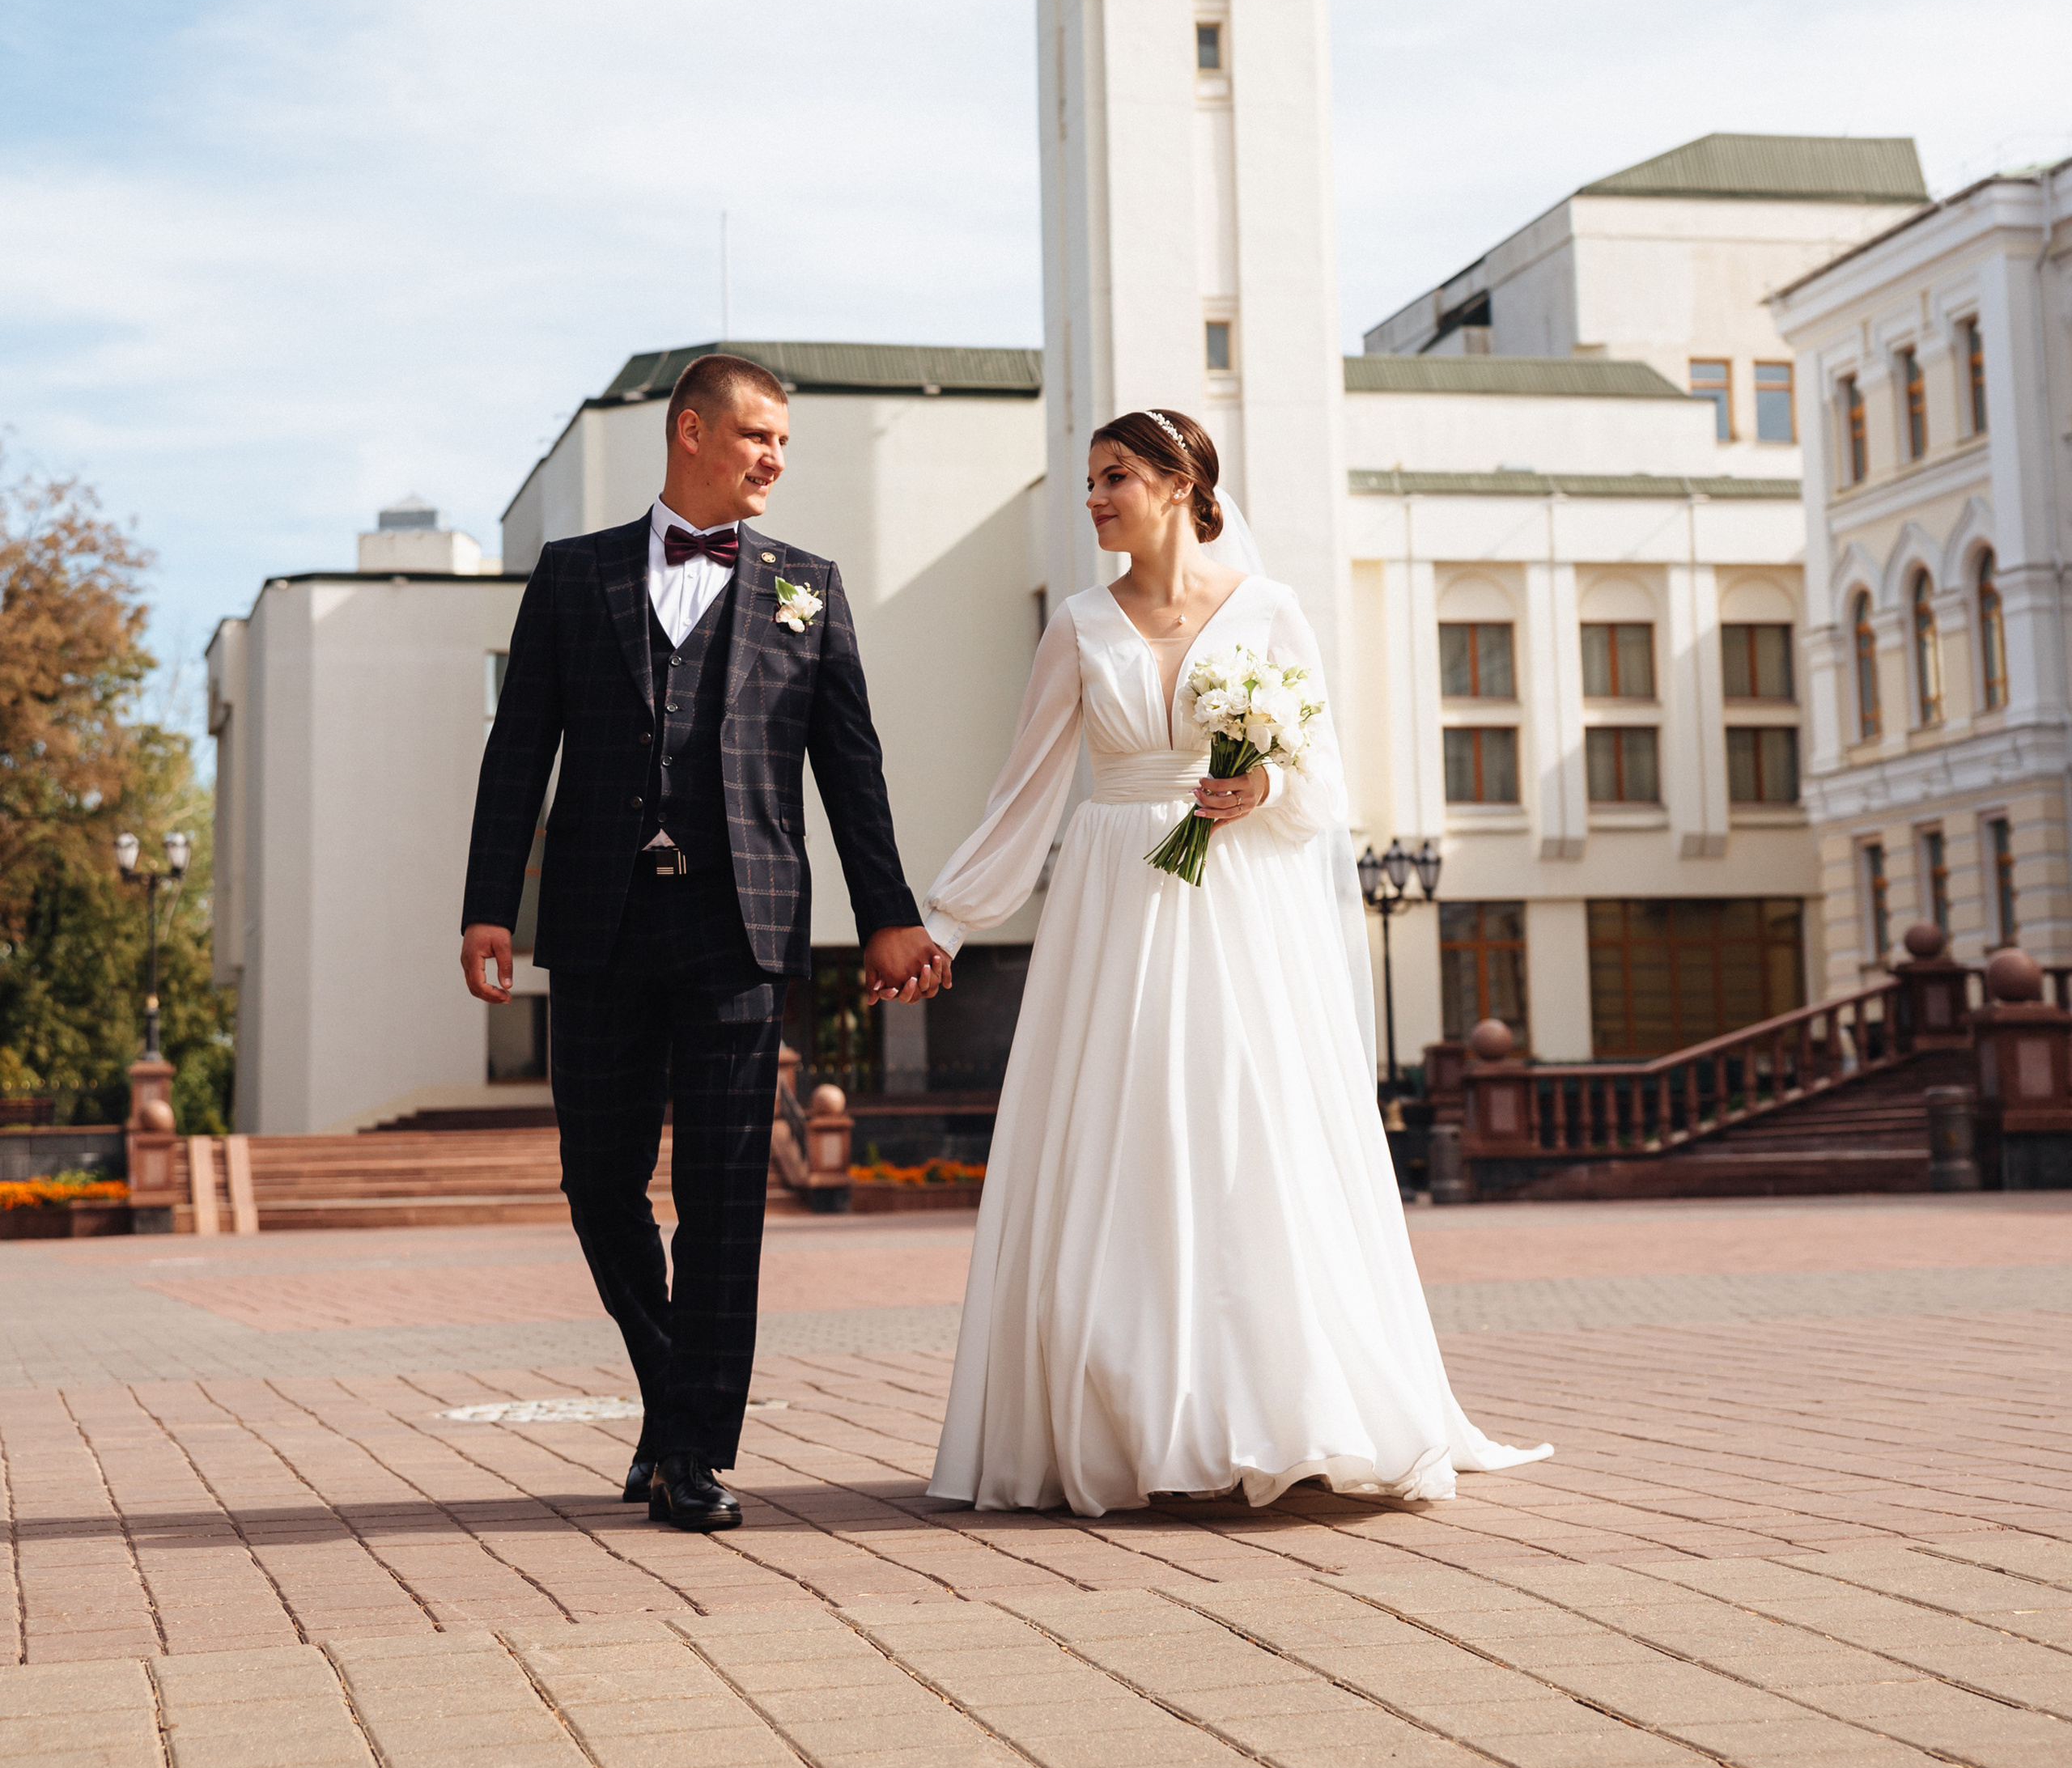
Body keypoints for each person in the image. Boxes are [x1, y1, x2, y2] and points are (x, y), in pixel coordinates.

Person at [923, 407, 1551, 1516]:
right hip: (1114, 904)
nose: (1095, 497)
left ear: (1178, 483)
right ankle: (1125, 1414)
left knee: (1244, 1131)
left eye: (1115, 476)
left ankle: (1285, 1407)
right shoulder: (1075, 625)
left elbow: (1323, 788)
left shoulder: (1269, 612)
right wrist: (946, 923)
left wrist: (1260, 786)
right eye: (1090, 479)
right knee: (1122, 1138)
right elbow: (1022, 798)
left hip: (1240, 910)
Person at [460, 352, 950, 1534]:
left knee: (725, 1197)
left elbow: (853, 768)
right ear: (691, 432)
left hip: (743, 929)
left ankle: (688, 1452)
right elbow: (519, 747)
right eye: (758, 436)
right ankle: (678, 1384)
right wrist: (486, 903)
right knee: (597, 1183)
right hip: (597, 925)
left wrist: (888, 911)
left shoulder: (807, 588)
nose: (775, 458)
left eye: (784, 442)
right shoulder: (574, 578)